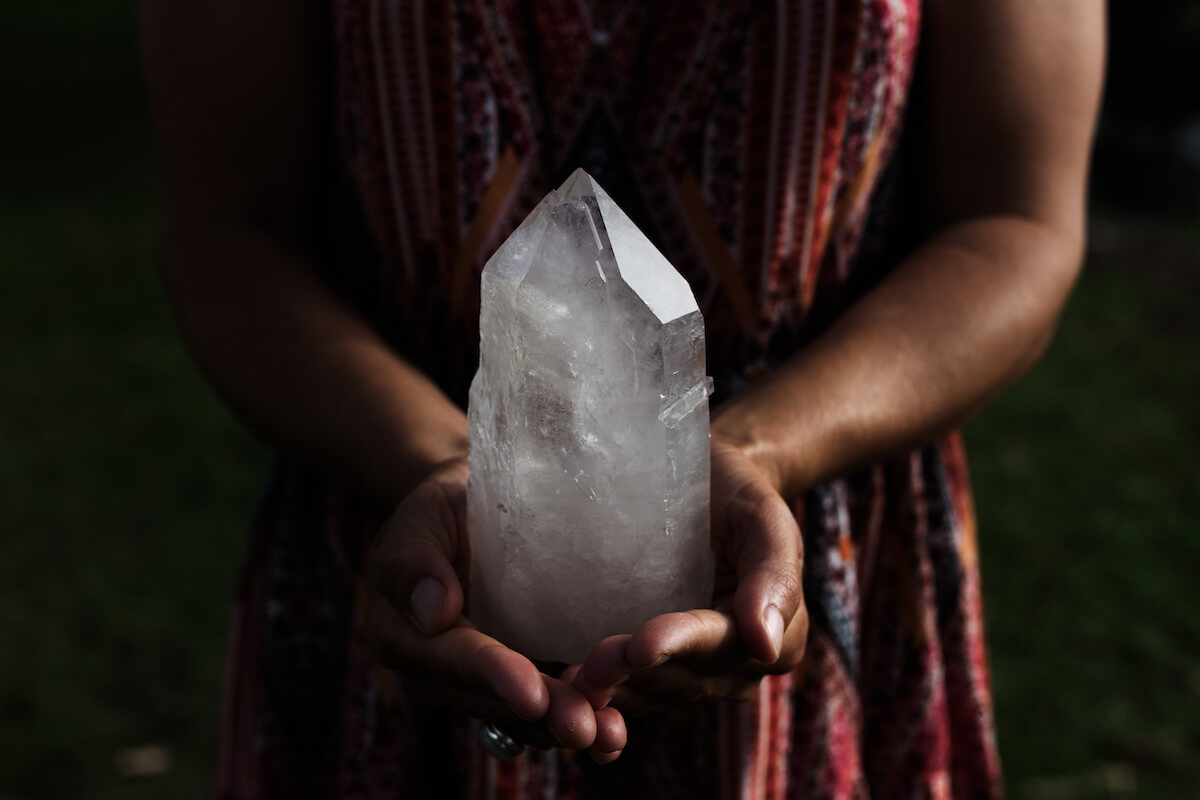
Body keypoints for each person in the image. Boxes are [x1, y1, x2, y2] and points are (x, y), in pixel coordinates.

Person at [141, 1, 1102, 797]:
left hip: (813, 536)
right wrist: (443, 464)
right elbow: (232, 231)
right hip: (395, 533)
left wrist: (760, 451)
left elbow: (1013, 221)